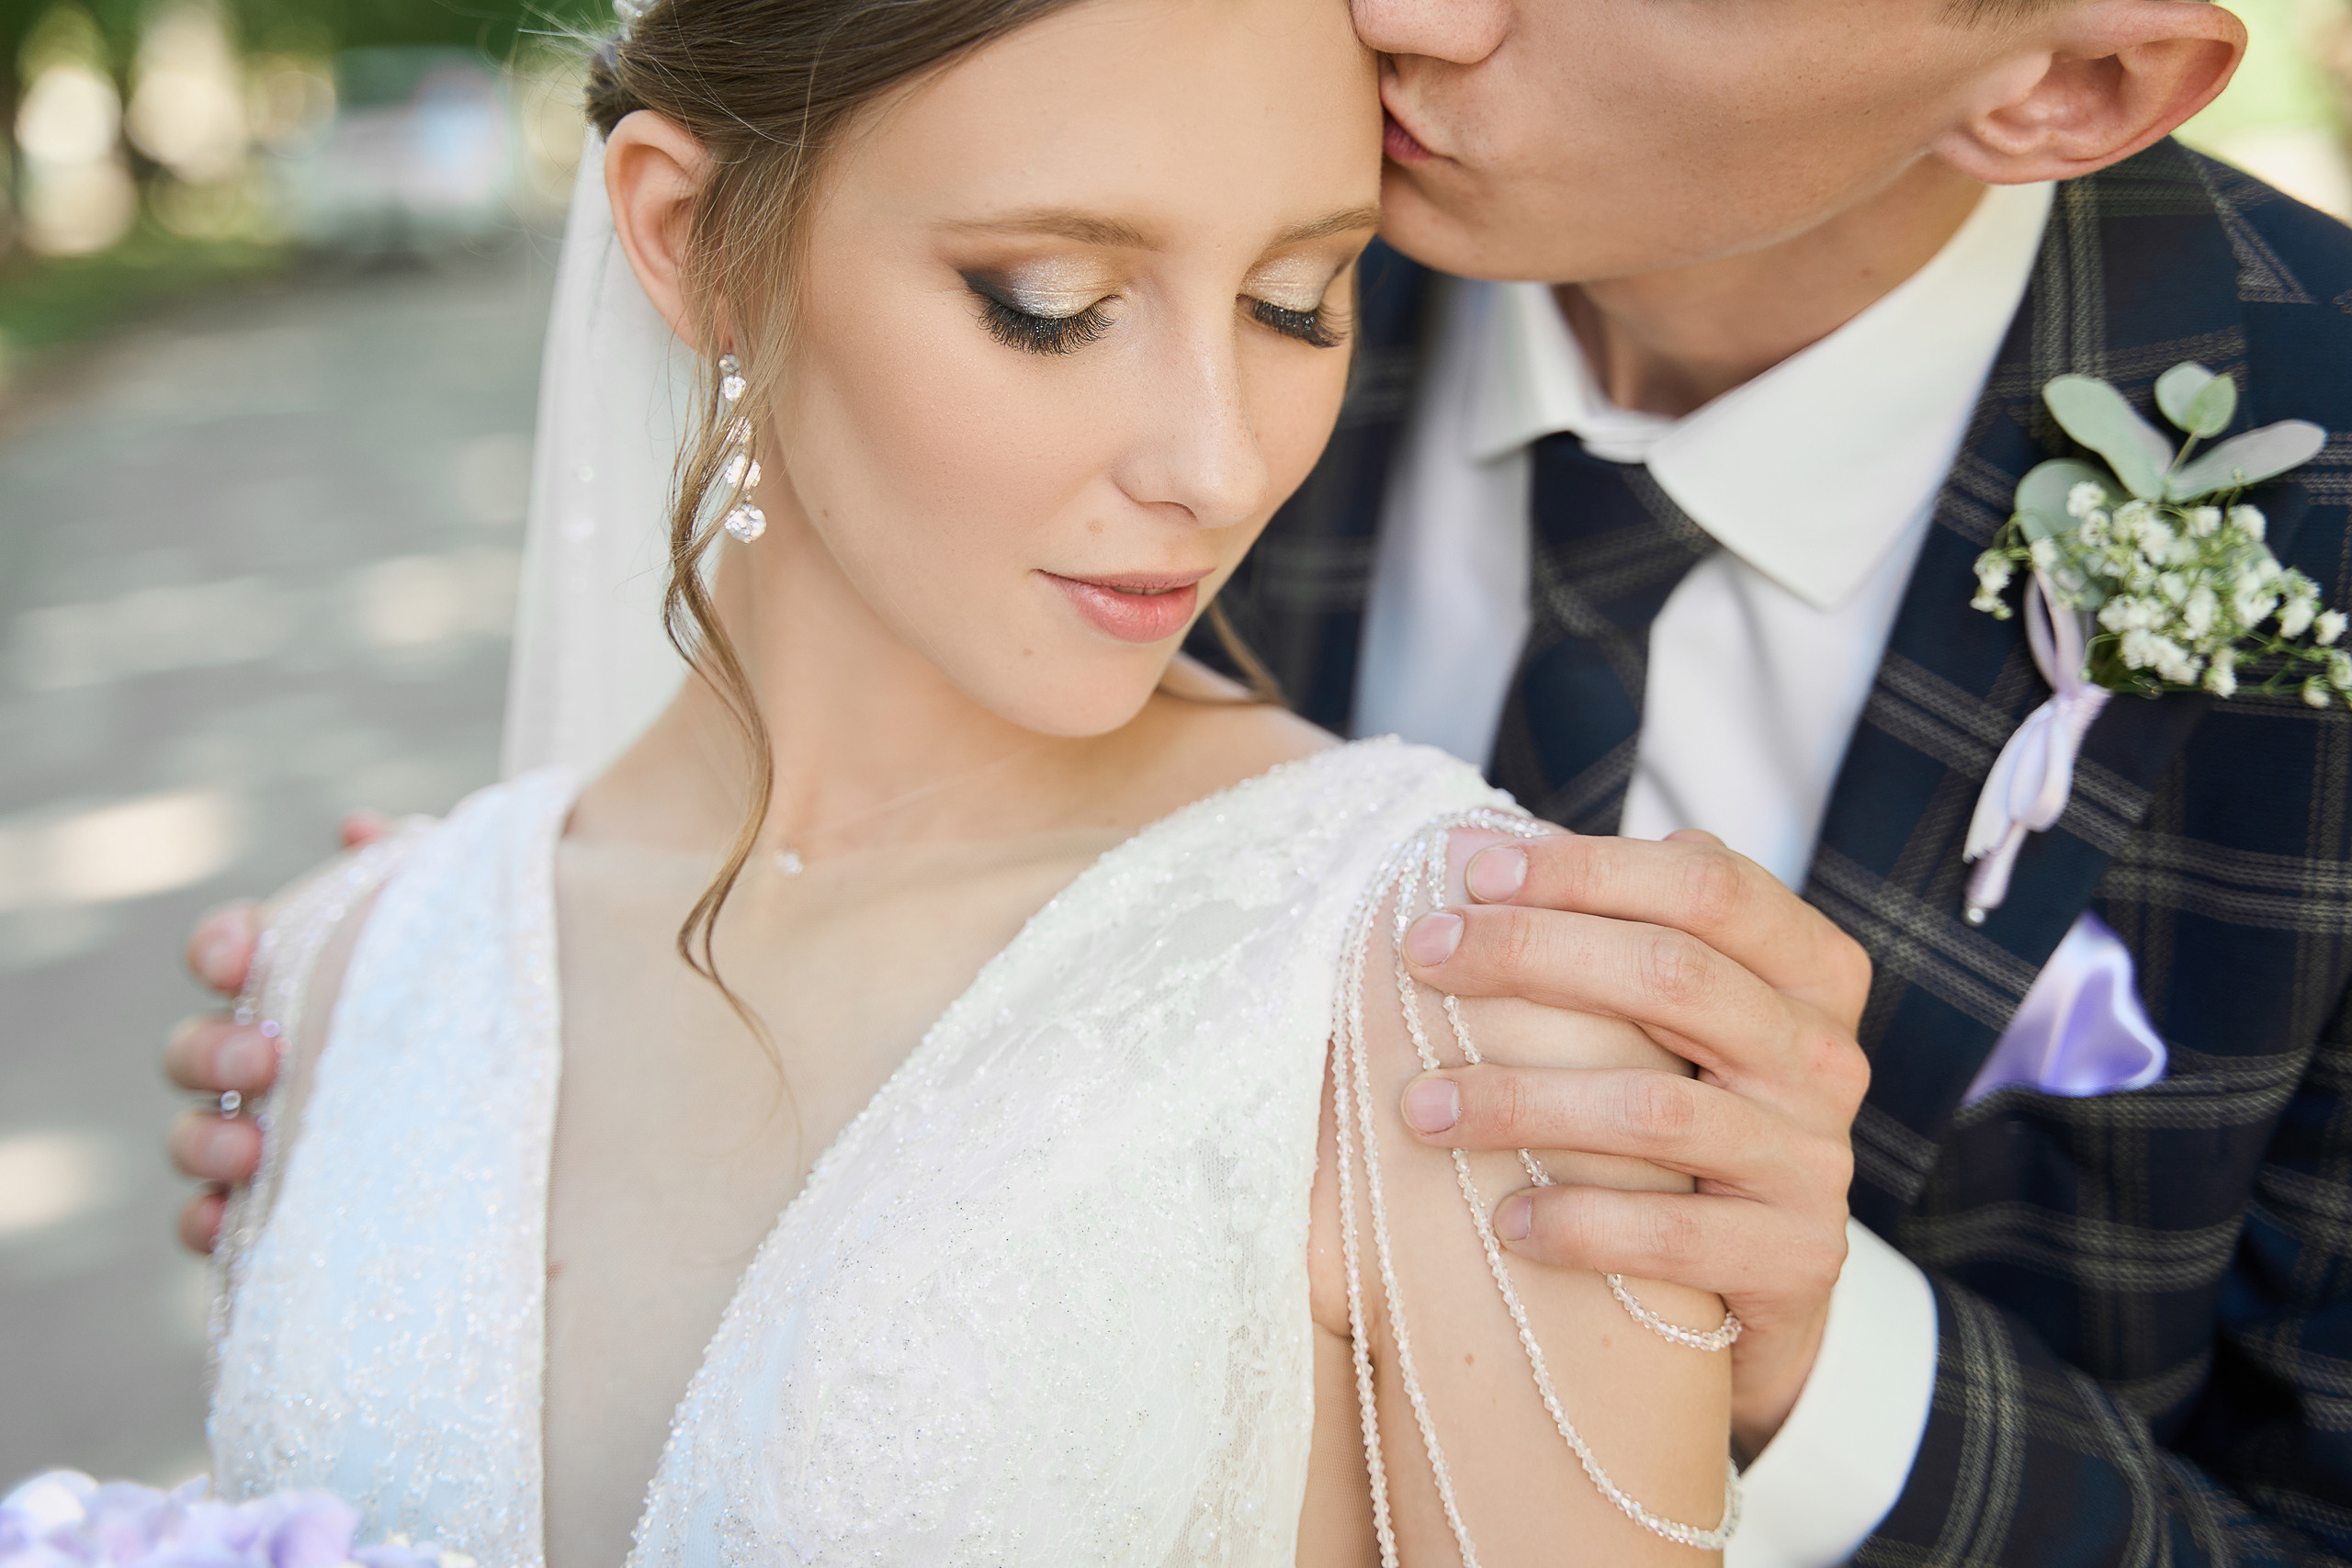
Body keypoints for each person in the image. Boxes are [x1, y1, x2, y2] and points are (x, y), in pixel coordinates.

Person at [169, 0, 2352, 1562]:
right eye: (1050, 301)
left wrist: (1804, 1353)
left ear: (2066, 79)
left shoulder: (2311, 490)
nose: (1402, 13)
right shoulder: (1255, 141)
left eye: (1295, 298)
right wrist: (456, 1066)